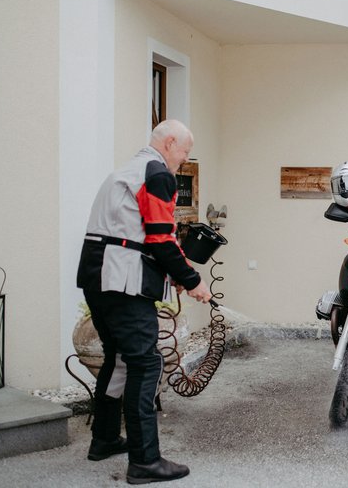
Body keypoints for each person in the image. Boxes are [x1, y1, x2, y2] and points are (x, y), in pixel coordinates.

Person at [76, 119, 212, 484]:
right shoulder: (157, 172)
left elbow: (134, 234)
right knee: (145, 363)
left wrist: (174, 274)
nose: (183, 162)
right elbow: (160, 238)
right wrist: (192, 280)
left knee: (119, 357)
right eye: (184, 153)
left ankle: (104, 439)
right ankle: (145, 461)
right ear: (170, 143)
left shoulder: (128, 170)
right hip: (123, 283)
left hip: (97, 277)